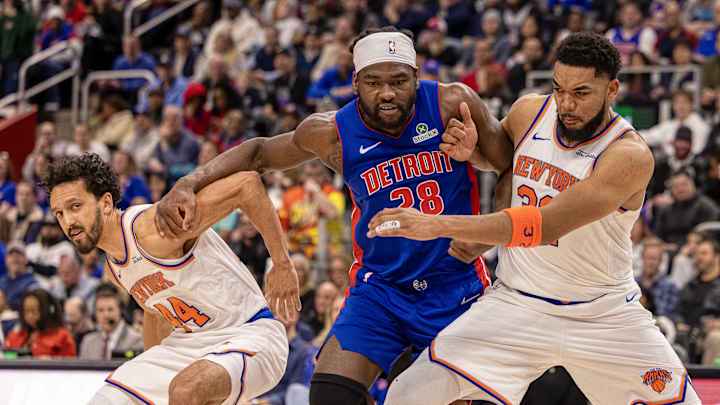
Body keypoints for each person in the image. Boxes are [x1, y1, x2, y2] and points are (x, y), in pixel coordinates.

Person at [154, 26, 511, 405]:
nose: (387, 92)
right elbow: (258, 152)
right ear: (356, 83)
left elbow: (509, 165)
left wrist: (488, 231)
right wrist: (188, 183)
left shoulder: (451, 103)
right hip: (382, 288)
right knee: (328, 396)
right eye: (374, 82)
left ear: (416, 77)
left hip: (452, 283)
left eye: (399, 81)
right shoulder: (331, 132)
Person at [369, 32, 701, 404]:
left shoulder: (629, 155)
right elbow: (508, 165)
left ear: (612, 90)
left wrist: (435, 224)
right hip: (518, 304)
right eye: (559, 89)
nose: (566, 103)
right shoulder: (531, 111)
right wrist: (471, 154)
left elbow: (542, 226)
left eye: (581, 93)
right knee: (408, 393)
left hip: (602, 316)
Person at [45, 153, 299, 404]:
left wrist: (282, 263)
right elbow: (155, 313)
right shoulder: (114, 268)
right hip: (189, 346)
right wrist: (152, 364)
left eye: (75, 207)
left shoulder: (153, 228)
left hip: (250, 332)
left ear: (106, 203)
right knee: (107, 400)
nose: (68, 221)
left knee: (185, 390)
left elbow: (247, 184)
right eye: (59, 213)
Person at [4, 288, 76, 358]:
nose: (29, 316)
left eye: (34, 311)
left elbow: (69, 366)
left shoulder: (63, 337)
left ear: (49, 311)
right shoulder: (15, 335)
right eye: (26, 311)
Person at [80, 285, 143, 360]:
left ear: (120, 310)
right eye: (100, 310)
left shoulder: (136, 340)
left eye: (110, 309)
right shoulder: (88, 341)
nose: (106, 315)